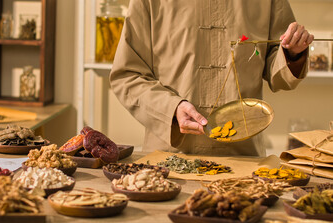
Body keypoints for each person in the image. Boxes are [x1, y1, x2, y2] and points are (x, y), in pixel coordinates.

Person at [110, 0, 313, 156]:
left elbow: (277, 63)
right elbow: (128, 74)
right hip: (170, 160)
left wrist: (292, 54)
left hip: (244, 158)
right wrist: (171, 109)